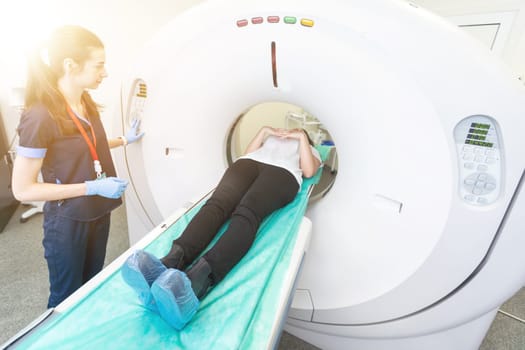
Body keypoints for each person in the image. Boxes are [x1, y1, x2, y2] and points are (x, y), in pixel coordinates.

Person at [122, 125, 321, 329]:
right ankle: (168, 263)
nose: (286, 130)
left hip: (282, 174)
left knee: (247, 213)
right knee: (216, 204)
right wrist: (263, 131)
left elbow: (309, 170)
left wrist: (301, 136)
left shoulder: (307, 148)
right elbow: (247, 154)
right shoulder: (269, 140)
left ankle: (194, 283)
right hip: (249, 164)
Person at [11, 25, 144, 308]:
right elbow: (22, 189)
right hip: (68, 220)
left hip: (98, 210)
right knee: (66, 300)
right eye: (99, 65)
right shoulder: (40, 116)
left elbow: (85, 145)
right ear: (70, 65)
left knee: (90, 288)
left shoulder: (84, 101)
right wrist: (90, 187)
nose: (105, 72)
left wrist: (123, 139)